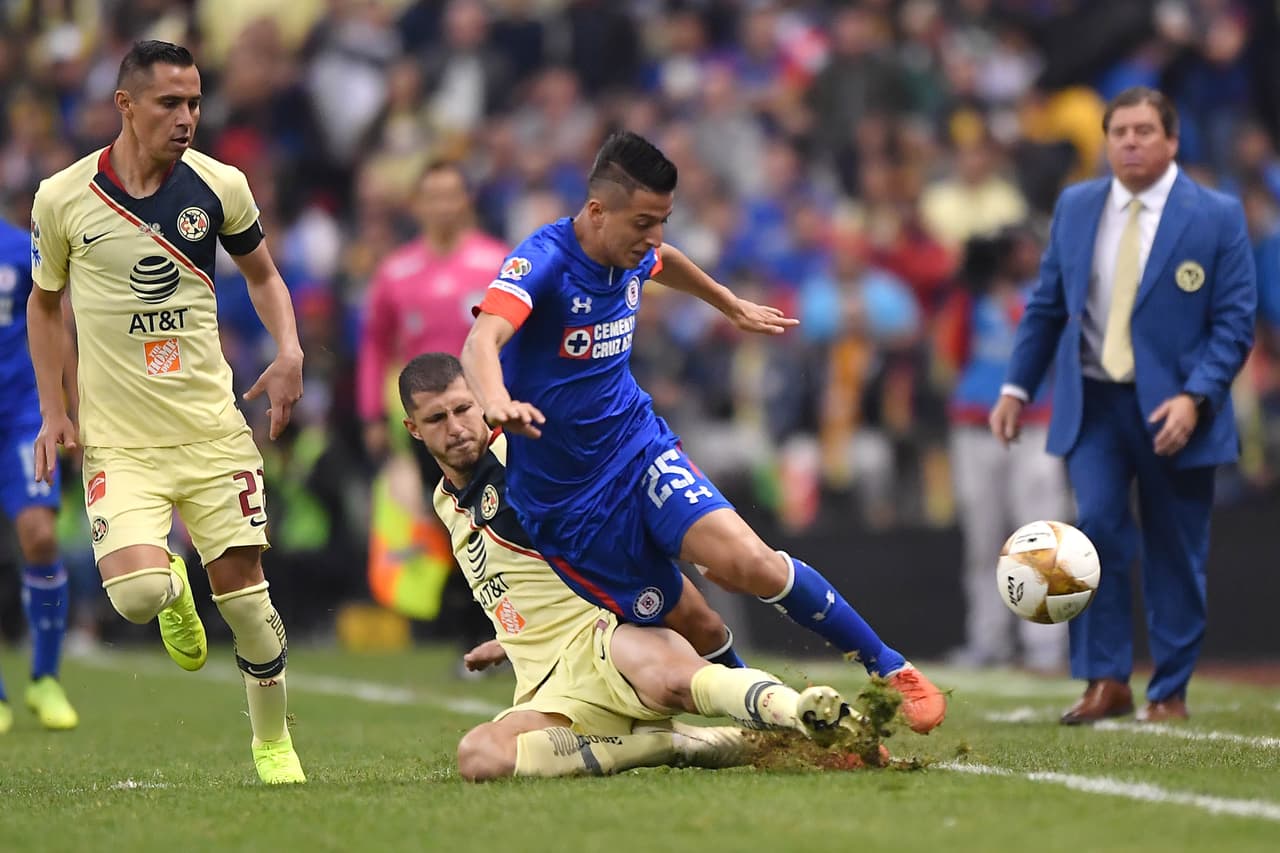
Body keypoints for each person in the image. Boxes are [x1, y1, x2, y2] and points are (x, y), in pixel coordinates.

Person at [461, 131, 945, 734]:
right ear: (595, 212)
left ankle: (889, 666)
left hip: (637, 451)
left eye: (663, 220)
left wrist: (729, 303)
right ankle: (766, 725)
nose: (654, 237)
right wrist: (497, 401)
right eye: (643, 221)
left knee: (754, 564)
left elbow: (669, 262)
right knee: (704, 628)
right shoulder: (545, 261)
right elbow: (481, 340)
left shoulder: (635, 249)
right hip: (569, 507)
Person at [27, 41, 306, 782]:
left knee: (248, 605)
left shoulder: (220, 185)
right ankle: (173, 585)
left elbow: (266, 276)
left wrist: (289, 348)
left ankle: (273, 744)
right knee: (137, 595)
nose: (187, 118)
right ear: (125, 105)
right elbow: (45, 304)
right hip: (120, 441)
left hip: (212, 430)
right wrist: (55, 411)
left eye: (195, 103)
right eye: (169, 104)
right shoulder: (62, 196)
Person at [399, 353, 869, 780]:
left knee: (677, 678)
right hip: (549, 688)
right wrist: (510, 638)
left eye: (463, 409)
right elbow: (523, 574)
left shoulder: (527, 457)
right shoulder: (445, 502)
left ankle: (807, 713)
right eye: (437, 418)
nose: (456, 426)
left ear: (481, 401)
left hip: (605, 634)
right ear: (414, 429)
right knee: (479, 757)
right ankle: (669, 745)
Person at [990, 87, 1256, 724]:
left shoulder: (1215, 215)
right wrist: (1016, 387)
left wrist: (1197, 397)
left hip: (1177, 411)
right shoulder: (1078, 206)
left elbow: (1236, 321)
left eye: (1144, 131)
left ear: (1172, 140)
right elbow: (1049, 303)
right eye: (1120, 132)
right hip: (1096, 404)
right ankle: (1105, 680)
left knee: (1175, 548)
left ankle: (1169, 690)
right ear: (1106, 143)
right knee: (1095, 534)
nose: (1131, 142)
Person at [357, 159, 510, 661]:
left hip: (486, 415)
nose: (442, 204)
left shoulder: (495, 260)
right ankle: (451, 631)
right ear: (417, 204)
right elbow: (375, 346)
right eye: (433, 195)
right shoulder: (396, 271)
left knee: (499, 520)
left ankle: (507, 629)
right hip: (428, 424)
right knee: (440, 524)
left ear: (466, 200)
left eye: (451, 194)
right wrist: (372, 418)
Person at [938, 227, 1069, 672]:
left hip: (1032, 427)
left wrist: (1005, 296)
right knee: (983, 540)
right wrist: (970, 286)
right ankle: (987, 642)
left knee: (1040, 539)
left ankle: (1045, 648)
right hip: (975, 427)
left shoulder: (1044, 295)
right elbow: (952, 353)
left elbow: (1051, 345)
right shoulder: (968, 298)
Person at [0, 218, 77, 733]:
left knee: (41, 535)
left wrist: (71, 405)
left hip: (24, 409)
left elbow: (55, 319)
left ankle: (45, 678)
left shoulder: (17, 245)